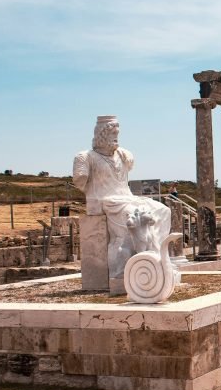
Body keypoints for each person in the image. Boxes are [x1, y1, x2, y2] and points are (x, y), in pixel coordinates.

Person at [73, 116, 172, 279]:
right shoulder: (85, 157)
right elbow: (80, 181)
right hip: (106, 200)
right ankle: (133, 267)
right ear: (102, 135)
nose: (116, 137)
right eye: (113, 133)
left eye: (117, 133)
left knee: (163, 210)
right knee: (134, 216)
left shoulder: (123, 154)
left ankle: (155, 257)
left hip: (127, 197)